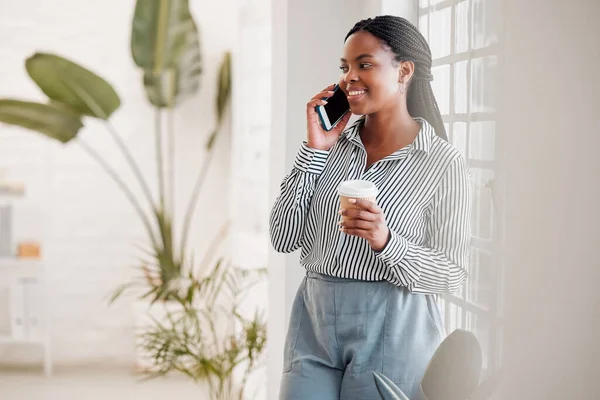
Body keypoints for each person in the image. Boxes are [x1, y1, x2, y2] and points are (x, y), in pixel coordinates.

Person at [269, 15, 471, 400]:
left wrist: (386, 241)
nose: (350, 78)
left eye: (365, 65)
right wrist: (314, 149)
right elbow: (282, 236)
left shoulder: (442, 162)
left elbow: (452, 274)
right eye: (345, 67)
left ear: (404, 72)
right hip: (314, 320)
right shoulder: (329, 148)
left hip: (393, 327)